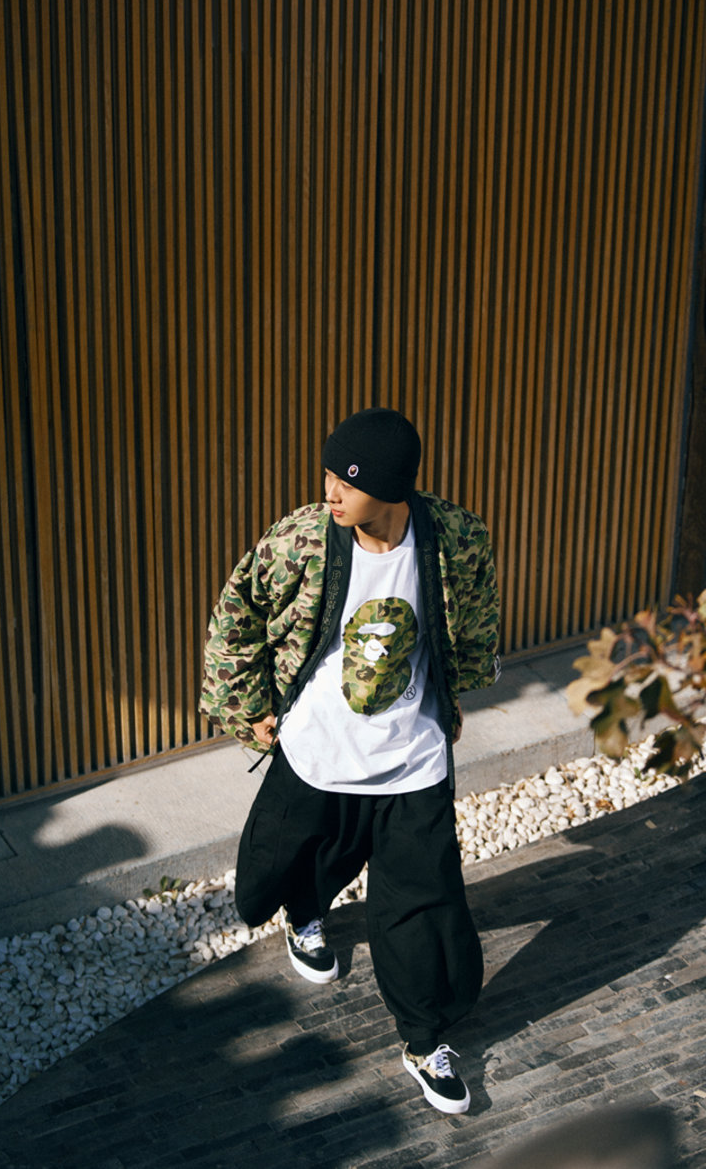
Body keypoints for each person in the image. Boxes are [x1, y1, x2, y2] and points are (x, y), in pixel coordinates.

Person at [200, 407, 500, 1115]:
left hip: (413, 758)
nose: (330, 492)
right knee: (298, 854)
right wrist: (248, 707)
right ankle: (305, 912)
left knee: (423, 902)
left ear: (390, 487)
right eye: (328, 474)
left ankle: (424, 1040)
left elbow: (474, 623)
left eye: (348, 481)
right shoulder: (303, 539)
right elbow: (236, 616)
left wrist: (454, 695)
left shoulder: (456, 539)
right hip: (318, 749)